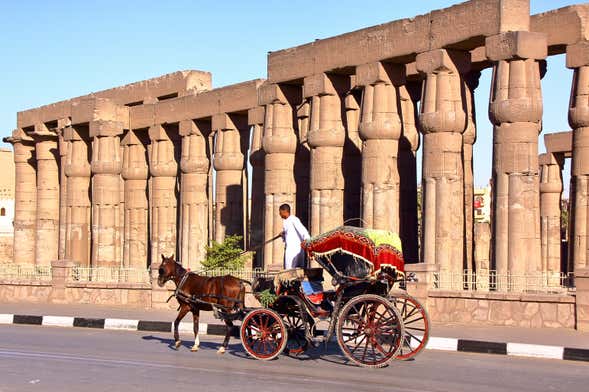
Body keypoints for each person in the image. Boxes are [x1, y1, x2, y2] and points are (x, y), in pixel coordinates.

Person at [279, 204, 310, 270]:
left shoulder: (294, 219)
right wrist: (283, 234)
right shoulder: (286, 221)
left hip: (295, 249)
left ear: (285, 211)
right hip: (290, 248)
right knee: (289, 269)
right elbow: (289, 235)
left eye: (280, 212)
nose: (280, 214)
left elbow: (302, 230)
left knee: (291, 269)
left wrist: (307, 240)